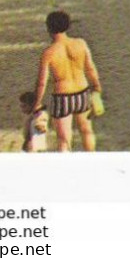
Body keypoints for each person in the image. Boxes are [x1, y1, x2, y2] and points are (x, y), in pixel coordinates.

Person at [32, 10, 102, 152]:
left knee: (64, 139)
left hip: (62, 97)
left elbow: (42, 82)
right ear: (68, 26)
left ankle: (65, 169)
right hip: (82, 93)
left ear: (49, 28)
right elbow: (90, 68)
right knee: (87, 131)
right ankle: (93, 161)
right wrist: (96, 87)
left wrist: (36, 102)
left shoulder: (49, 53)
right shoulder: (80, 43)